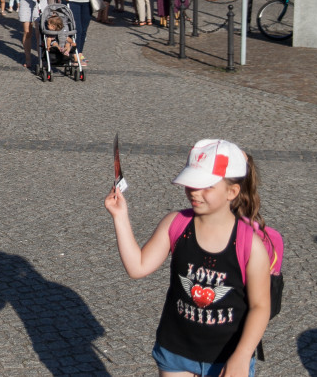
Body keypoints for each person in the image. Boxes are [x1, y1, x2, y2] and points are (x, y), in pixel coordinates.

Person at [104, 140, 271, 377]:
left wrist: (242, 356)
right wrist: (120, 217)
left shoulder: (249, 244)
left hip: (228, 357)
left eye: (206, 186)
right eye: (191, 183)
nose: (194, 192)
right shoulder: (177, 224)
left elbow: (260, 306)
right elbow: (138, 267)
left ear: (232, 192)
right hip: (176, 351)